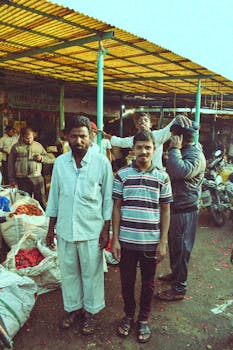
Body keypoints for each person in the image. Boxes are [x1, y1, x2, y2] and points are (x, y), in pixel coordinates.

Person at [45, 115, 113, 335]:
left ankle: (90, 314)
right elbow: (54, 196)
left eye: (82, 136)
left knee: (91, 274)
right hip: (65, 229)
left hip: (91, 230)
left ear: (91, 137)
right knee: (69, 272)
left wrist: (106, 230)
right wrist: (50, 228)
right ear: (67, 137)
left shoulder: (101, 163)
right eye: (73, 136)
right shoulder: (60, 163)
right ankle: (73, 309)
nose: (78, 140)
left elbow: (108, 199)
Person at [112, 130, 173, 343]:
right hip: (127, 241)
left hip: (150, 241)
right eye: (139, 147)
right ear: (133, 150)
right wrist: (116, 240)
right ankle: (128, 316)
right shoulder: (122, 175)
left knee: (148, 283)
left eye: (148, 147)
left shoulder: (162, 177)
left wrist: (163, 241)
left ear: (154, 149)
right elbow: (117, 208)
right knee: (127, 282)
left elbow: (165, 210)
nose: (143, 151)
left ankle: (144, 319)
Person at [157, 120, 206, 301]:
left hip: (186, 210)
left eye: (173, 135)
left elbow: (180, 171)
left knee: (182, 249)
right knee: (175, 246)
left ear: (179, 137)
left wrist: (174, 150)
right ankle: (175, 274)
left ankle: (179, 288)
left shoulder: (195, 154)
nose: (171, 139)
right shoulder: (187, 150)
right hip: (177, 207)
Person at [104, 112, 191, 170]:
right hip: (140, 172)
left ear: (150, 124)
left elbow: (169, 128)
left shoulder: (158, 135)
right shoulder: (134, 139)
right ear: (137, 126)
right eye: (140, 121)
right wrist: (105, 136)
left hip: (156, 172)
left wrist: (177, 118)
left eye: (145, 120)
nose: (142, 122)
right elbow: (120, 142)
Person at [8, 127, 54, 210]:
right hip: (22, 179)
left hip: (37, 178)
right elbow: (10, 164)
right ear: (22, 136)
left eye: (31, 138)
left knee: (41, 201)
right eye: (27, 138)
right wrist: (12, 180)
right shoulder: (16, 147)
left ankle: (45, 220)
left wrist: (41, 158)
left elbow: (51, 159)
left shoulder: (38, 146)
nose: (29, 140)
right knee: (25, 202)